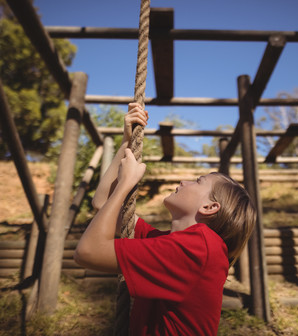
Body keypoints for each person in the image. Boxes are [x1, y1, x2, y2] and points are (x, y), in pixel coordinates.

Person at [74, 103, 256, 335]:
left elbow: (87, 252)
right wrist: (126, 143)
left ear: (210, 207)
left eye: (198, 181)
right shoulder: (173, 245)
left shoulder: (199, 248)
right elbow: (102, 203)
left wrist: (126, 185)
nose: (184, 182)